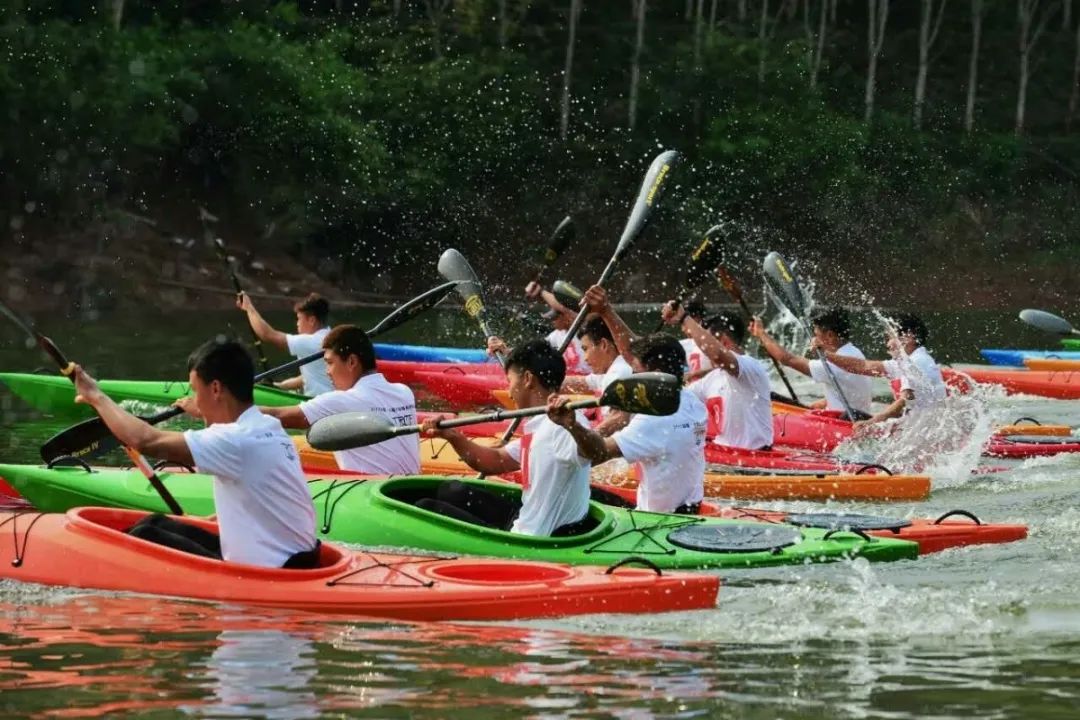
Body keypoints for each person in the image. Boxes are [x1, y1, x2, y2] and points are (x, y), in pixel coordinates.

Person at [71, 340, 319, 569]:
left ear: (215, 389)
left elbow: (145, 440)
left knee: (146, 536)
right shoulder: (266, 426)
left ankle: (95, 568)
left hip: (270, 572)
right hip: (297, 557)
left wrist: (97, 396)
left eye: (194, 391)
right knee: (156, 524)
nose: (194, 401)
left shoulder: (235, 440)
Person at [184, 325, 420, 475]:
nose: (327, 371)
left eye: (329, 363)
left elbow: (278, 416)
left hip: (372, 494)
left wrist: (213, 409)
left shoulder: (340, 402)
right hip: (405, 487)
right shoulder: (403, 391)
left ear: (351, 362)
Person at [417, 340, 592, 537]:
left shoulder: (563, 427)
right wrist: (452, 436)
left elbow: (592, 453)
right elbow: (496, 460)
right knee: (451, 490)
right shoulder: (542, 425)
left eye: (510, 381)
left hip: (533, 537)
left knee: (424, 507)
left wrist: (574, 427)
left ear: (527, 379)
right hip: (526, 518)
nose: (509, 392)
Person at [551, 322, 707, 514]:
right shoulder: (693, 401)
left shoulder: (654, 419)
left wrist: (572, 426)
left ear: (654, 374)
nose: (633, 378)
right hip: (690, 508)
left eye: (636, 372)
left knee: (572, 494)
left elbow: (597, 453)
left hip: (658, 521)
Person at [664, 306, 774, 450]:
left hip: (754, 460)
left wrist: (684, 317)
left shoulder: (750, 367)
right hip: (724, 453)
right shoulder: (712, 378)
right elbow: (677, 399)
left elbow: (717, 355)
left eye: (706, 345)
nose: (704, 351)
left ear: (724, 342)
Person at [819, 313, 946, 431]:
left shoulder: (917, 362)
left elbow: (906, 400)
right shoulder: (909, 360)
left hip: (924, 432)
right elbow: (864, 366)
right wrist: (826, 354)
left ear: (909, 337)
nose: (888, 344)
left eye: (890, 337)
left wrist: (873, 422)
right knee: (850, 415)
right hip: (917, 426)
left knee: (851, 418)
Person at [749, 306, 872, 420]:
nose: (813, 340)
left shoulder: (833, 364)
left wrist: (761, 333)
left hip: (841, 424)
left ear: (830, 335)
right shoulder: (855, 353)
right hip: (852, 418)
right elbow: (850, 391)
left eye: (816, 335)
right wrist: (824, 402)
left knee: (769, 398)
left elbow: (787, 359)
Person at [237, 291, 333, 397]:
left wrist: (249, 308)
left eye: (299, 319)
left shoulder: (312, 342)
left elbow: (267, 334)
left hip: (320, 406)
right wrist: (279, 386)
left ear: (311, 320)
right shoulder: (330, 335)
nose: (297, 323)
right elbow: (309, 376)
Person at [525, 280, 591, 374]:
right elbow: (535, 350)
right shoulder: (556, 335)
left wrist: (540, 292)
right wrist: (508, 351)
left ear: (566, 317)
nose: (552, 322)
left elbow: (564, 309)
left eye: (554, 318)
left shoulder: (583, 327)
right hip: (572, 380)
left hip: (590, 380)